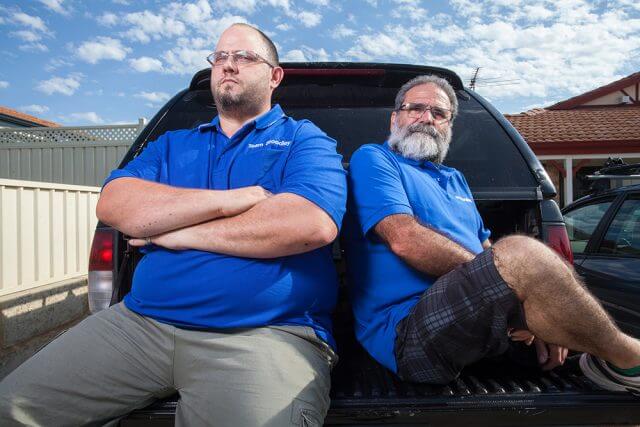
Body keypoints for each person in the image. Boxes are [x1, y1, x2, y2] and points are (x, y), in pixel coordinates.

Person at [0, 23, 347, 426]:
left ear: (274, 76)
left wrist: (176, 233)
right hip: (140, 324)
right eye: (220, 57)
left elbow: (309, 223)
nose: (228, 65)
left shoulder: (304, 140)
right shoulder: (170, 145)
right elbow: (115, 203)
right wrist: (236, 199)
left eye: (245, 57)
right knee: (10, 411)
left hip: (264, 336)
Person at [344, 74, 640, 392]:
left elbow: (486, 250)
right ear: (395, 118)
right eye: (415, 108)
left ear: (448, 126)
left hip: (483, 326)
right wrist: (513, 288)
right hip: (409, 334)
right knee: (521, 253)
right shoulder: (374, 158)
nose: (426, 118)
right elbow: (405, 240)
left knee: (548, 297)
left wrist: (528, 308)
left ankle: (601, 360)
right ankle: (630, 360)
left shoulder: (455, 179)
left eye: (439, 113)